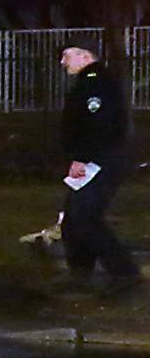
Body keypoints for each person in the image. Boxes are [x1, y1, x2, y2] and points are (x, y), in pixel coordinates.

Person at [57, 43, 139, 285]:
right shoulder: (90, 81)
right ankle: (81, 274)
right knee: (73, 220)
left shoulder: (95, 82)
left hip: (101, 160)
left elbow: (99, 124)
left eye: (66, 56)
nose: (62, 62)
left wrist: (82, 157)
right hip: (98, 158)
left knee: (85, 218)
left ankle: (124, 273)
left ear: (85, 56)